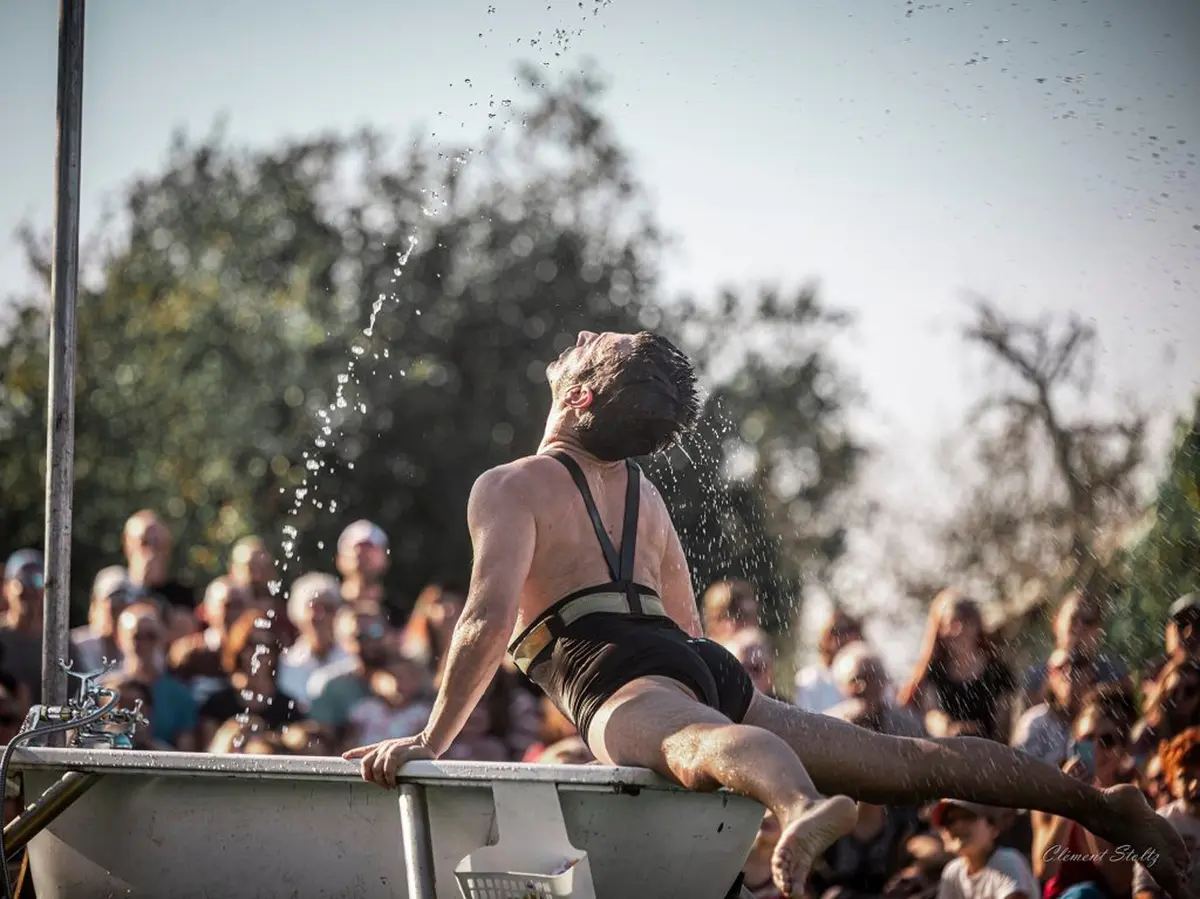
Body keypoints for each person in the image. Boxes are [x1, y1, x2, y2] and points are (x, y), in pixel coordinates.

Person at [344, 330, 1191, 899]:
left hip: (615, 673)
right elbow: (687, 629)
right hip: (693, 662)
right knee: (906, 757)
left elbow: (484, 621)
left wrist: (431, 739)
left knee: (693, 746)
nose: (576, 341)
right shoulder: (647, 495)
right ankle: (1102, 804)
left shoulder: (508, 484)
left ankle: (796, 807)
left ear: (585, 399)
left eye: (588, 349)